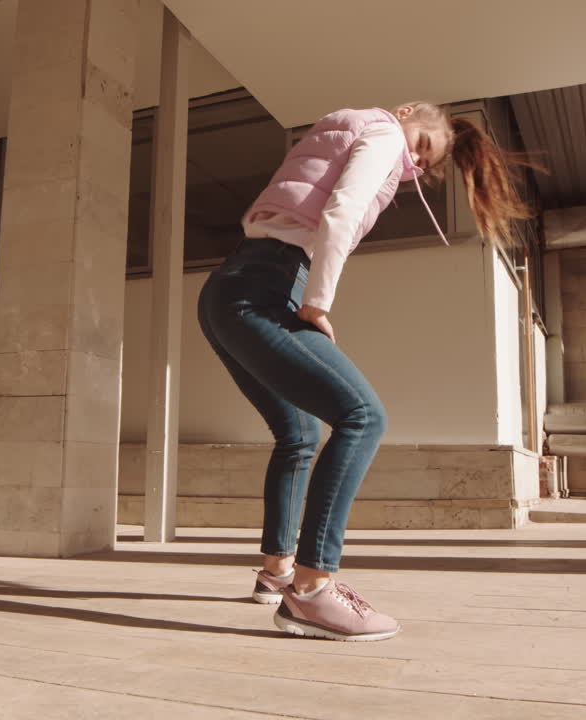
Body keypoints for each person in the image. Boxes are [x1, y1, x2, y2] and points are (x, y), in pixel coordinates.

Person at [196, 102, 533, 641]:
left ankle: (278, 571)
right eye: (421, 145)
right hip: (264, 286)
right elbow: (343, 209)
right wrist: (317, 304)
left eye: (424, 165)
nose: (414, 165)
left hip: (227, 290)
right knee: (362, 416)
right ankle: (311, 592)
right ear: (406, 115)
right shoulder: (381, 131)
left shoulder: (345, 129)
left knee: (299, 432)